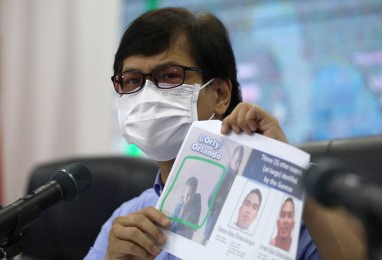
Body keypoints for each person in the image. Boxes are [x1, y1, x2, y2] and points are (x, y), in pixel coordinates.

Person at [84, 7, 367, 260]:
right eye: (132, 81)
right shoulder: (125, 220)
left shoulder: (286, 210)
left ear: (220, 93)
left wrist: (290, 166)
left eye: (169, 75)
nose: (146, 95)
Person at [203, 145, 244, 244]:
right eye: (236, 161)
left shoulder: (235, 176)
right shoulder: (226, 174)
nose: (237, 164)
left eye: (240, 162)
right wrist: (214, 209)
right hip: (215, 215)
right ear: (232, 159)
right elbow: (211, 196)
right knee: (207, 240)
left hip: (222, 218)